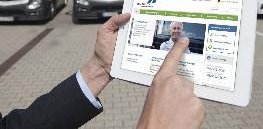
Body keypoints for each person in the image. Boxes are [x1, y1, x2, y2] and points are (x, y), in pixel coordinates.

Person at [0, 14, 206, 129]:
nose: (177, 32)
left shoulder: (187, 47)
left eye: (180, 29)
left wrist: (100, 67)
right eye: (174, 29)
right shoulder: (162, 46)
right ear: (170, 30)